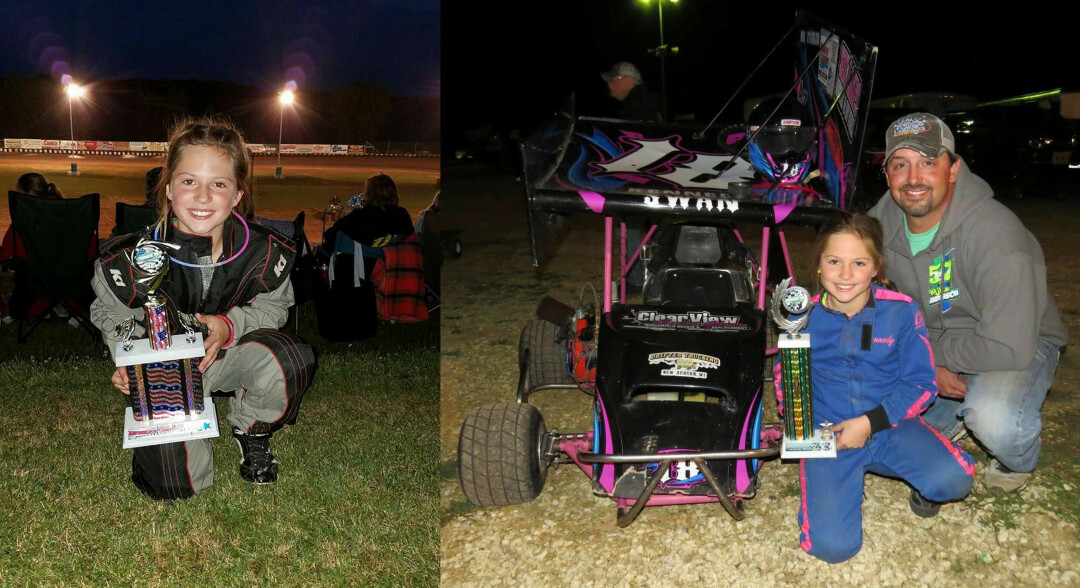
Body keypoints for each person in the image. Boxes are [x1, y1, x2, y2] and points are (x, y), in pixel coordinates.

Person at [91, 117, 316, 500]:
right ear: (168, 189)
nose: (203, 196)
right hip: (166, 373)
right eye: (189, 181)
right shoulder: (128, 257)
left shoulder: (265, 251)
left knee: (290, 358)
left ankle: (251, 429)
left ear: (237, 197)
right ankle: (179, 423)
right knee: (175, 486)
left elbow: (274, 309)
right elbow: (112, 316)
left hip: (229, 354)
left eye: (219, 184)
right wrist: (128, 362)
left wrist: (230, 326)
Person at [868, 113, 1067, 495]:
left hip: (1014, 340)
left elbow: (1007, 344)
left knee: (993, 418)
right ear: (887, 174)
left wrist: (928, 362)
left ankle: (1016, 459)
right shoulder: (875, 229)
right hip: (933, 345)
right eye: (900, 165)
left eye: (928, 163)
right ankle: (947, 418)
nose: (913, 178)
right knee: (873, 414)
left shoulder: (995, 233)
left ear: (954, 169)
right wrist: (926, 364)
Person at [779, 214, 974, 564]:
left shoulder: (899, 312)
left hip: (890, 424)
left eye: (859, 263)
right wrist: (799, 424)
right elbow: (787, 377)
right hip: (832, 435)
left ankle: (910, 466)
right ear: (819, 266)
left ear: (876, 268)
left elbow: (921, 382)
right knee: (833, 549)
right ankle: (840, 478)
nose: (845, 273)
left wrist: (870, 422)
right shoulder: (801, 315)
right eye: (834, 261)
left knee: (955, 482)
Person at [322, 173, 414, 250]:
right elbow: (411, 239)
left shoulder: (359, 217)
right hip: (393, 267)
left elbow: (329, 236)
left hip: (363, 267)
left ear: (369, 195)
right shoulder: (402, 215)